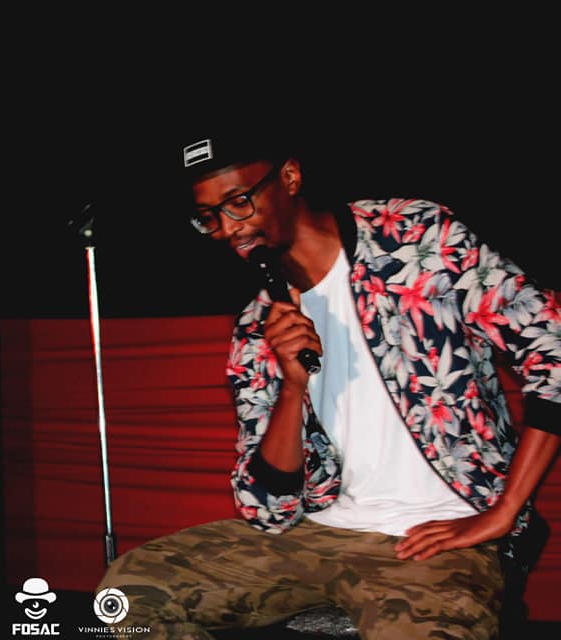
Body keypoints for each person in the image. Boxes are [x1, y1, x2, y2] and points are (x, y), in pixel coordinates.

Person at [95, 117, 561, 639]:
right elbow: (268, 508)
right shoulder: (257, 327)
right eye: (209, 217)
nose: (228, 229)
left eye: (238, 202)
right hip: (319, 532)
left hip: (437, 536)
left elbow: (554, 351)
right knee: (126, 598)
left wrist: (504, 512)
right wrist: (293, 386)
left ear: (289, 177)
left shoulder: (416, 238)